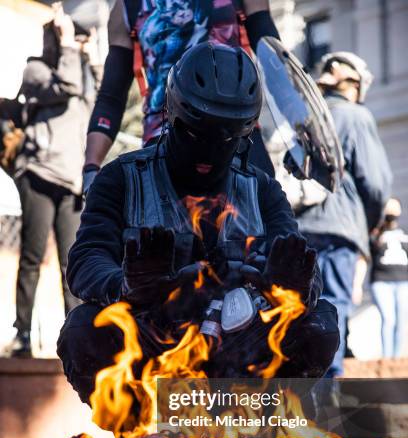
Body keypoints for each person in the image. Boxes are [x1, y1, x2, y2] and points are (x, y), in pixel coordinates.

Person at [57, 43, 340, 406]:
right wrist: (126, 285)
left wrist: (293, 286)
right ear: (171, 116)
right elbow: (86, 258)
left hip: (239, 354)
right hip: (153, 345)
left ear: (245, 134)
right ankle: (142, 436)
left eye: (225, 138)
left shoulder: (261, 189)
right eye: (195, 134)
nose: (208, 151)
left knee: (318, 322)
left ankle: (248, 427)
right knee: (83, 329)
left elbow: (301, 264)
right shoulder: (122, 178)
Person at [82, 0, 280, 194]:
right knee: (152, 221)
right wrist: (91, 168)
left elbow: (277, 62)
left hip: (235, 128)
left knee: (267, 208)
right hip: (166, 133)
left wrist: (303, 125)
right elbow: (112, 95)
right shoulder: (128, 7)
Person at [5, 7, 99, 358]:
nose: (73, 40)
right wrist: (67, 45)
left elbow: (100, 97)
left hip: (72, 181)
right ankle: (23, 334)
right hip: (40, 175)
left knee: (71, 262)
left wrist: (89, 57)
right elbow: (68, 85)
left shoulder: (79, 67)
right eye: (68, 35)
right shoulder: (36, 69)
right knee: (31, 256)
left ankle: (74, 335)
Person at [296, 51, 393, 378]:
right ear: (356, 87)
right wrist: (366, 224)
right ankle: (327, 408)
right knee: (332, 311)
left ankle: (302, 407)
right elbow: (376, 184)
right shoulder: (356, 116)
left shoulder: (307, 121)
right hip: (339, 232)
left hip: (301, 230)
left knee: (303, 313)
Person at [370, 197, 408, 358]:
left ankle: (396, 359)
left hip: (403, 282)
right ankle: (386, 358)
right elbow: (365, 256)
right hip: (381, 281)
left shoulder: (404, 234)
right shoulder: (376, 234)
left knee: (401, 321)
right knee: (388, 318)